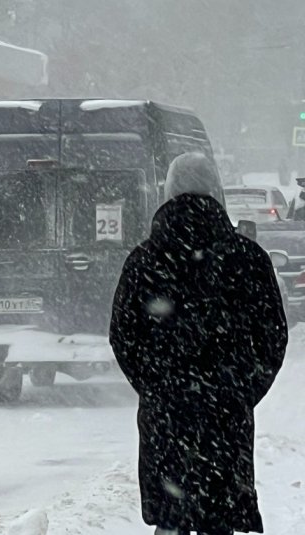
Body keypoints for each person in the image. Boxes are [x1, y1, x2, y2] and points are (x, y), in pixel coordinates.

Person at [109, 152, 288, 535]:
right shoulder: (247, 258)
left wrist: (157, 386)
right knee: (217, 515)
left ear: (167, 193)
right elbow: (272, 338)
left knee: (172, 517)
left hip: (166, 416)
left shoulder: (145, 260)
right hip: (225, 417)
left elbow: (123, 336)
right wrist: (238, 389)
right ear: (217, 192)